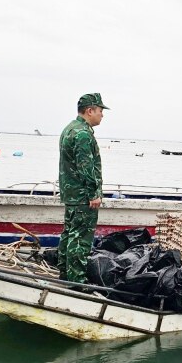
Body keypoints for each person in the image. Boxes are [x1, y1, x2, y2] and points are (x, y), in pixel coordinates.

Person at [58, 92, 108, 283]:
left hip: (71, 193)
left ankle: (64, 271)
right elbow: (86, 167)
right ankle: (77, 280)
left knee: (69, 233)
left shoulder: (69, 129)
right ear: (90, 111)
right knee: (81, 238)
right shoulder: (83, 134)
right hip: (82, 196)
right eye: (100, 110)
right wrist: (93, 194)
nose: (102, 115)